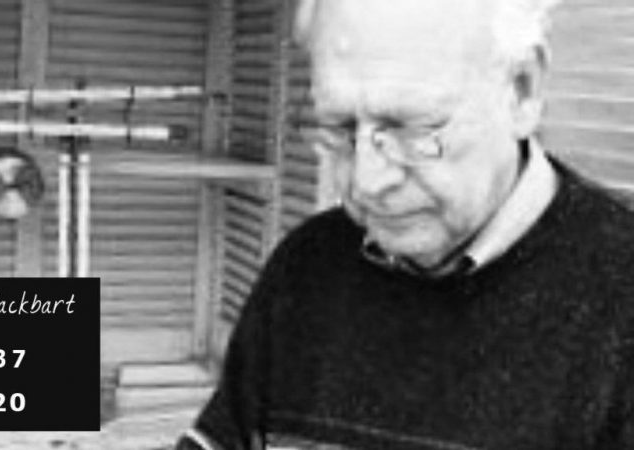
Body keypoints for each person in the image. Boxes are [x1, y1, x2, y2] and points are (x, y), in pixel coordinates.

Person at [177, 0, 634, 448]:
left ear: (521, 90)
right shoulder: (306, 265)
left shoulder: (620, 299)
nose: (366, 183)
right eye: (340, 127)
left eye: (413, 128)